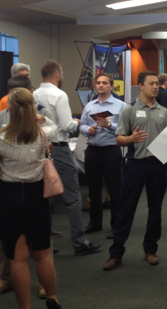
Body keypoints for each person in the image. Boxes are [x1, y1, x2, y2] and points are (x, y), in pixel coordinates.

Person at [103, 71, 167, 271]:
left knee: (155, 209)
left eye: (157, 84)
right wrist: (130, 140)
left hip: (157, 165)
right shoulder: (129, 110)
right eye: (151, 83)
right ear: (140, 86)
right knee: (127, 209)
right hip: (135, 164)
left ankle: (150, 250)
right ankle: (116, 253)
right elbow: (119, 138)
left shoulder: (165, 112)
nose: (156, 87)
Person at [0, 88, 61, 309]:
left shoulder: (1, 137)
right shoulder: (43, 135)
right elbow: (56, 127)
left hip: (10, 197)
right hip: (38, 196)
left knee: (17, 257)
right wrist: (43, 118)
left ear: (10, 110)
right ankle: (52, 297)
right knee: (43, 252)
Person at [33, 59, 101, 256]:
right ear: (56, 74)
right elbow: (65, 126)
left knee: (43, 196)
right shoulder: (59, 95)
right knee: (72, 197)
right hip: (59, 147)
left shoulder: (34, 94)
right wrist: (77, 122)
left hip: (39, 148)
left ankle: (42, 242)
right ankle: (79, 243)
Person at [80, 73, 126, 240]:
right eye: (98, 83)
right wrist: (87, 130)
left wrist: (109, 125)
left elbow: (124, 128)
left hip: (110, 150)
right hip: (92, 150)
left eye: (104, 83)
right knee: (93, 188)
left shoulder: (120, 106)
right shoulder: (89, 106)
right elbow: (82, 125)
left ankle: (116, 225)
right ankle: (95, 223)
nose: (101, 85)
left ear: (112, 86)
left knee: (114, 190)